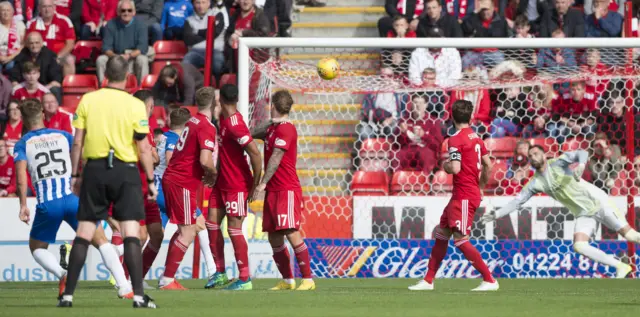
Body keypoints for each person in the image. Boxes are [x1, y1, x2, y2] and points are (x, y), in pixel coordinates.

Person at [57, 55, 157, 308]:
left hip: (95, 169)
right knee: (130, 232)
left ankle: (67, 296)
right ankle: (137, 296)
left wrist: (76, 175)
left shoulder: (88, 100)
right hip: (125, 170)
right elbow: (143, 147)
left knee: (85, 231)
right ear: (127, 77)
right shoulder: (134, 104)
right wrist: (151, 179)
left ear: (105, 76)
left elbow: (78, 141)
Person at [14, 99, 133, 302]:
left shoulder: (23, 143)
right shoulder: (63, 135)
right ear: (43, 114)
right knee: (102, 241)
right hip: (72, 200)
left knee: (37, 248)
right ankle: (124, 287)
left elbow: (20, 179)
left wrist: (23, 204)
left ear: (24, 119)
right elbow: (85, 157)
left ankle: (63, 274)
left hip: (48, 204)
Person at [482, 145, 640, 278]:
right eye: (530, 155)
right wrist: (496, 214)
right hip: (584, 213)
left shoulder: (557, 163)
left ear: (544, 155)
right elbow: (517, 202)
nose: (533, 157)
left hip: (598, 203)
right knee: (579, 245)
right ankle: (621, 266)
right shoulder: (535, 182)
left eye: (536, 153)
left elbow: (581, 153)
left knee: (631, 236)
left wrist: (581, 165)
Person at [408, 100, 497, 292]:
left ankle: (489, 280)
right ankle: (428, 280)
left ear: (452, 116)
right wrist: (480, 187)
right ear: (470, 116)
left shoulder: (454, 139)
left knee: (460, 239)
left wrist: (445, 166)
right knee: (442, 234)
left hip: (464, 195)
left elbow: (454, 168)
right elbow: (489, 164)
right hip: (463, 193)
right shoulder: (477, 137)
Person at [251, 90, 315, 291]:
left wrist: (262, 183)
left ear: (273, 105)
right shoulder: (273, 128)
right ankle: (288, 280)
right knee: (274, 236)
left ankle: (308, 279)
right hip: (274, 190)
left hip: (286, 189)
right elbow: (251, 134)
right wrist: (270, 122)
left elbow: (276, 157)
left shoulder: (286, 130)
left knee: (290, 231)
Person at [159, 87, 217, 290]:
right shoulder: (206, 126)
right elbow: (204, 159)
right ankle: (167, 280)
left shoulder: (191, 121)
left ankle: (167, 277)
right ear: (214, 103)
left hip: (175, 180)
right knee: (188, 231)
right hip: (181, 182)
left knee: (187, 228)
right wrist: (213, 174)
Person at [205, 84, 262, 290]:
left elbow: (255, 154)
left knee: (234, 229)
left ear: (221, 99)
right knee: (211, 224)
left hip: (236, 184)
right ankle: (220, 272)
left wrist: (255, 183)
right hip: (221, 182)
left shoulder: (236, 125)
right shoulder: (223, 119)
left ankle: (245, 279)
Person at [98, 0, 149, 84]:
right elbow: (106, 47)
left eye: (129, 10)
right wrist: (117, 57)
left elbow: (142, 47)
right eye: (123, 10)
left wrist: (128, 56)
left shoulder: (141, 25)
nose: (126, 13)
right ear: (118, 12)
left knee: (143, 59)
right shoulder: (110, 24)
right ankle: (104, 88)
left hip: (133, 57)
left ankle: (141, 90)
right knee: (101, 59)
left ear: (134, 12)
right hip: (116, 57)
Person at [26, 0, 76, 76]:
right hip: (37, 56)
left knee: (69, 59)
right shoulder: (31, 23)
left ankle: (67, 86)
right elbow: (27, 43)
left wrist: (58, 57)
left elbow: (70, 44)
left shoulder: (65, 21)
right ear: (39, 8)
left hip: (59, 56)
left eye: (50, 6)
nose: (47, 9)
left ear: (54, 7)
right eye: (44, 6)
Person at [0, 2, 26, 73]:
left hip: (14, 56)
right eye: (3, 10)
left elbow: (23, 45)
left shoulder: (19, 24)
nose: (5, 13)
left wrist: (9, 57)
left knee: (11, 66)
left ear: (12, 12)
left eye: (8, 10)